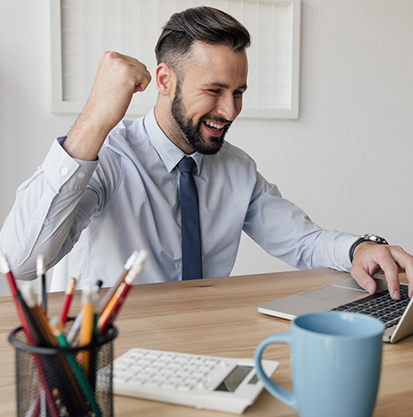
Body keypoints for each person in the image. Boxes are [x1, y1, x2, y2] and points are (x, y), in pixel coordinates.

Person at [0, 6, 412, 299]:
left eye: (238, 93)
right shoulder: (104, 158)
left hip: (204, 340)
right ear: (165, 79)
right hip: (108, 355)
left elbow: (304, 242)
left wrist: (360, 248)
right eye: (213, 91)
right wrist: (93, 120)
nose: (229, 111)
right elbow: (18, 262)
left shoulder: (236, 170)